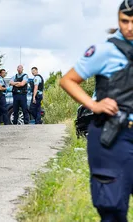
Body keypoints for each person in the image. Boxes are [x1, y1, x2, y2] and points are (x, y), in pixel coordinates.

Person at [60, 1, 133, 221]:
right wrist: (94, 105)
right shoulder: (104, 50)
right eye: (124, 21)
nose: (129, 27)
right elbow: (68, 80)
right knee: (112, 209)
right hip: (114, 137)